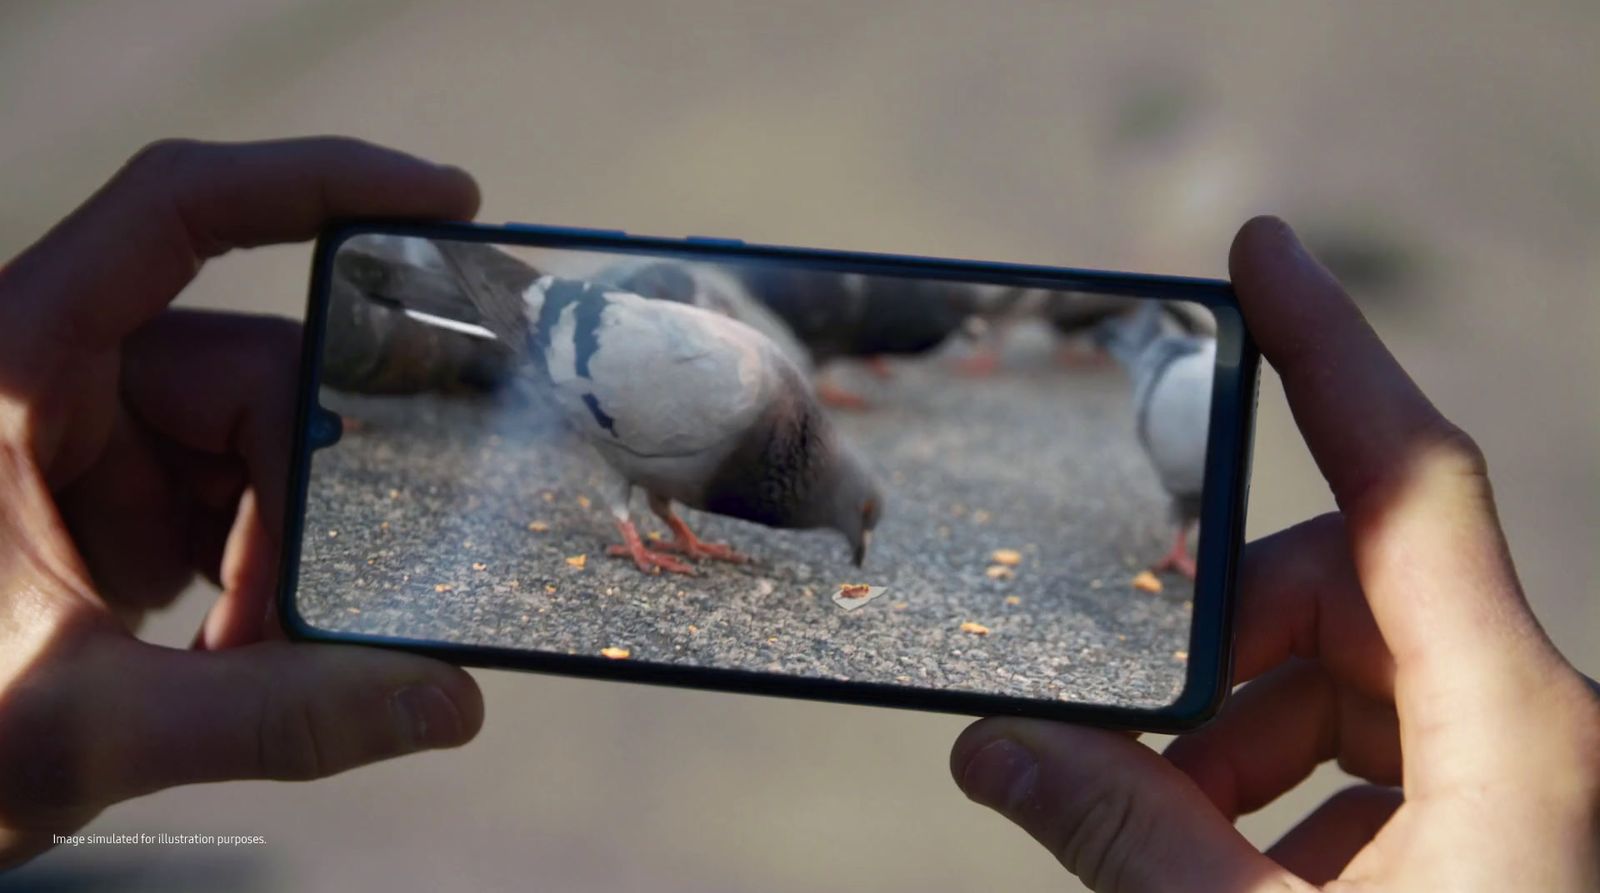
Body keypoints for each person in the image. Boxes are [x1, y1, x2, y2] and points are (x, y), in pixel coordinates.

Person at [0, 139, 1593, 887]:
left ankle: (655, 525)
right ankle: (647, 525)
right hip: (595, 363)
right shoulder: (752, 413)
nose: (846, 543)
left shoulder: (780, 431)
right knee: (648, 462)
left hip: (650, 386)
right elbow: (629, 403)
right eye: (846, 530)